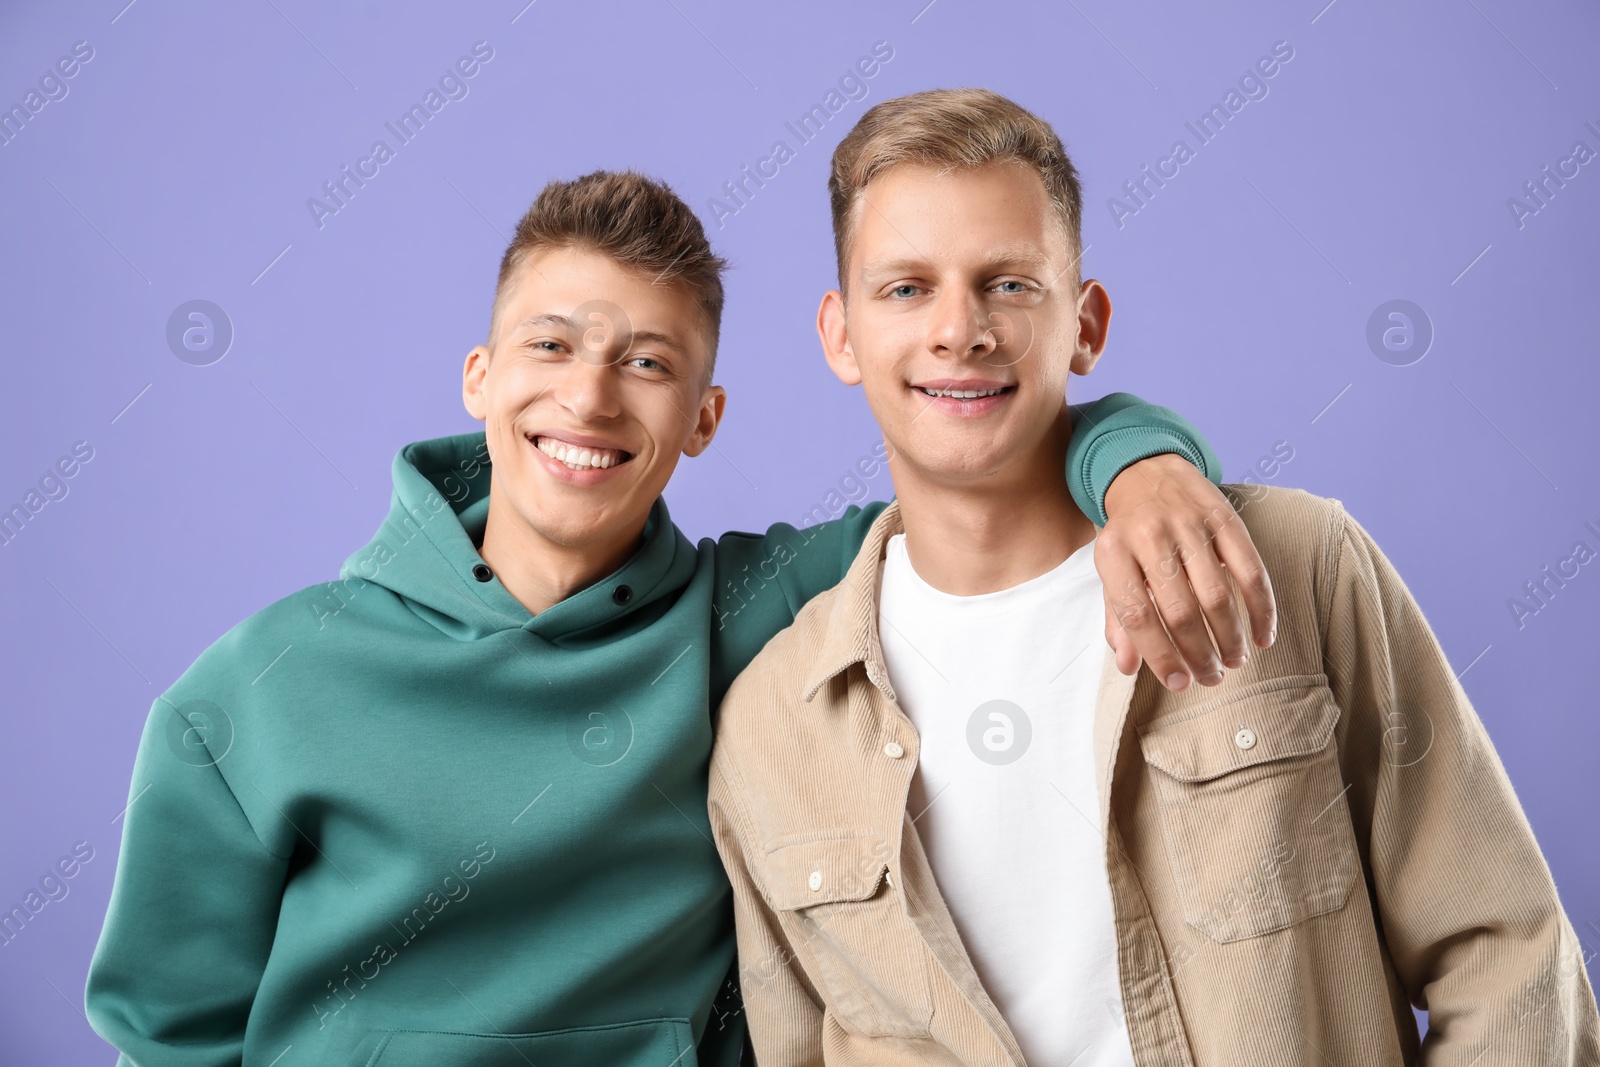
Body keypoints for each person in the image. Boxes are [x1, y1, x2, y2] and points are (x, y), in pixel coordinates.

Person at [83, 169, 1271, 1066]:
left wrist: (1143, 465)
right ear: (479, 378)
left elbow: (983, 470)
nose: (589, 395)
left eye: (647, 363)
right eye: (550, 345)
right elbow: (168, 1026)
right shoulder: (262, 686)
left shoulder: (747, 611)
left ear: (703, 418)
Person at [708, 88, 1600, 1066]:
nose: (958, 329)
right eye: (906, 288)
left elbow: (1508, 954)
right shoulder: (770, 727)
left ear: (1085, 322)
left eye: (1008, 283)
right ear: (840, 333)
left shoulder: (1295, 564)